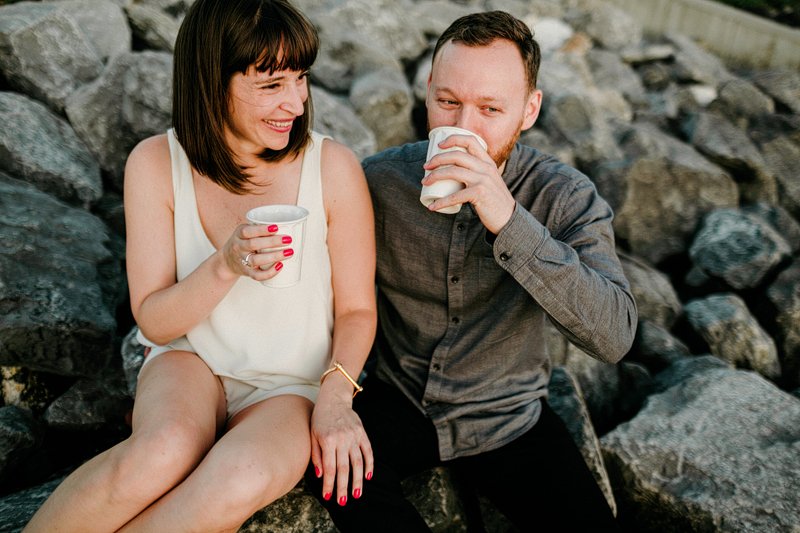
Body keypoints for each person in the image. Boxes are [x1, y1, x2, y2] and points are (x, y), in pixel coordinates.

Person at [24, 0, 375, 531]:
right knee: (160, 452)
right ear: (212, 81)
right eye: (271, 84)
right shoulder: (155, 163)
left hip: (291, 385)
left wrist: (335, 399)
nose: (296, 104)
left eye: (299, 79)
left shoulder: (334, 167)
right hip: (191, 363)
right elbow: (155, 321)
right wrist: (226, 264)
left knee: (236, 478)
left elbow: (357, 311)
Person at [305, 10, 638, 533]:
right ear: (428, 92)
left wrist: (507, 217)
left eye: (490, 108)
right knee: (331, 469)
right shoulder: (377, 182)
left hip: (508, 417)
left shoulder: (566, 196)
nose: (464, 128)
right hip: (399, 398)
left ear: (529, 110)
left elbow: (615, 336)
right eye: (448, 102)